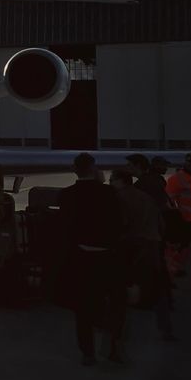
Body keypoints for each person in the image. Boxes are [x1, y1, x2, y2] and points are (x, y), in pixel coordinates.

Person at [58, 152, 126, 365]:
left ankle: (88, 352)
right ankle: (112, 348)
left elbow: (65, 229)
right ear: (94, 168)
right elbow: (119, 223)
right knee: (115, 304)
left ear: (75, 169)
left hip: (80, 257)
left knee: (83, 307)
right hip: (107, 256)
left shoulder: (67, 195)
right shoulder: (108, 193)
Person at [111, 168, 174, 340]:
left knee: (123, 286)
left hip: (132, 245)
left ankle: (119, 333)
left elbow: (122, 223)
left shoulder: (119, 198)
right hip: (152, 243)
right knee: (156, 285)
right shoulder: (146, 197)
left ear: (120, 181)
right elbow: (161, 222)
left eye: (112, 179)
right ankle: (165, 328)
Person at [165, 152, 191, 288]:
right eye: (188, 160)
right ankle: (170, 276)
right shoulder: (177, 179)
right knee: (182, 250)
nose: (189, 163)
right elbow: (168, 199)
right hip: (187, 221)